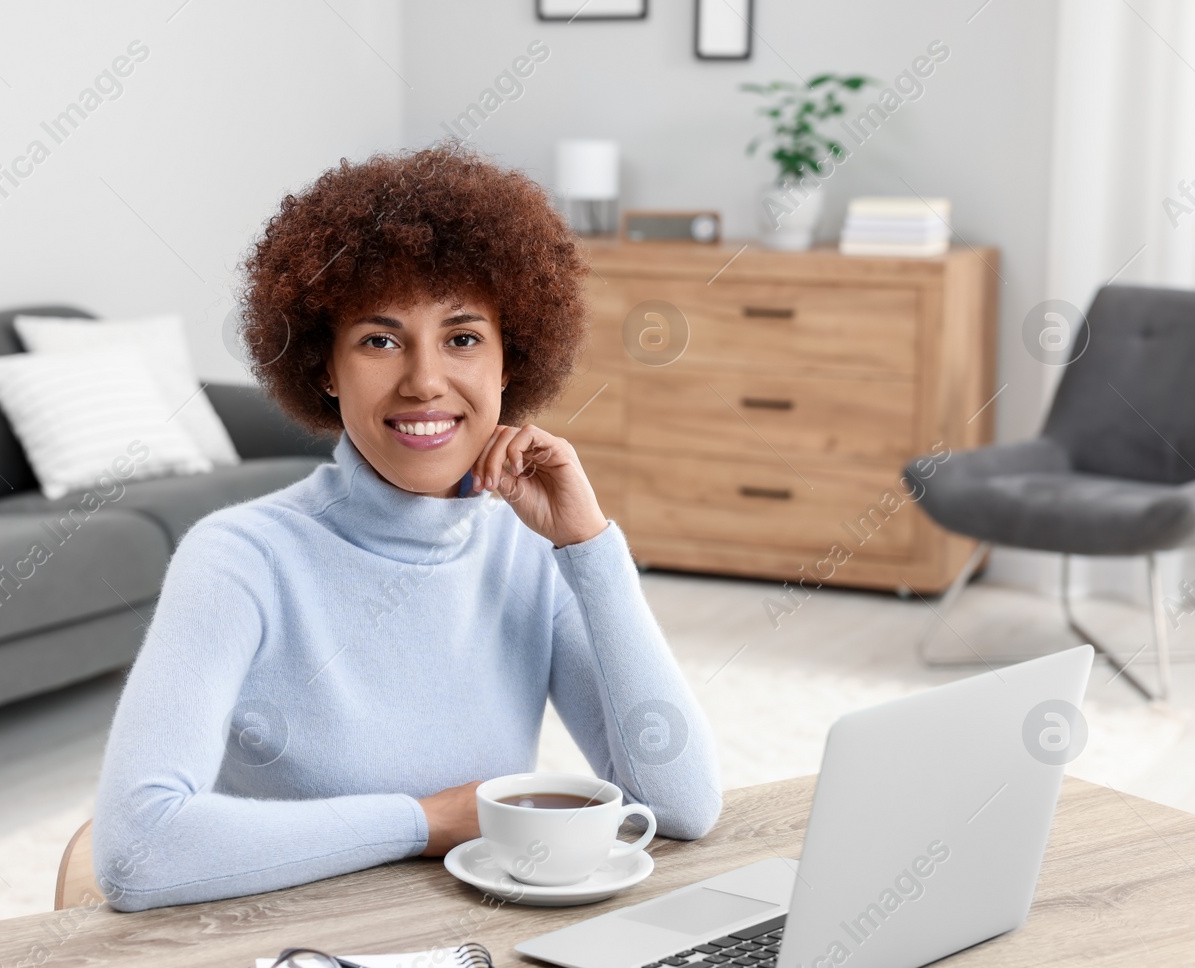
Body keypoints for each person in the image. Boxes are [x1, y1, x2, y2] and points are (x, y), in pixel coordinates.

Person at [91, 144, 722, 910]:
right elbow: (137, 849)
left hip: (489, 951)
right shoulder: (238, 558)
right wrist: (423, 822)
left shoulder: (531, 551)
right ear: (325, 366)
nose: (424, 381)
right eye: (380, 340)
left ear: (507, 363)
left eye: (462, 338)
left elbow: (682, 804)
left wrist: (588, 546)